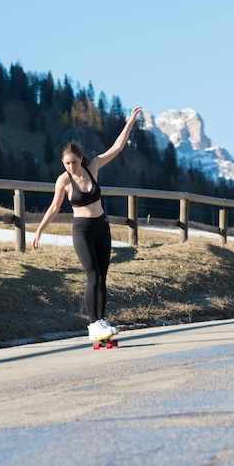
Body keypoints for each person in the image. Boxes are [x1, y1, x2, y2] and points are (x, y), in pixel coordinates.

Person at [32, 105, 143, 341]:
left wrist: (130, 122)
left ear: (80, 159)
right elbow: (53, 208)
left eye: (73, 162)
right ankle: (93, 325)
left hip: (102, 227)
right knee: (92, 274)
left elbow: (117, 147)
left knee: (103, 275)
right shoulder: (63, 181)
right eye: (66, 164)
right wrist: (39, 232)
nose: (71, 167)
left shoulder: (93, 167)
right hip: (82, 230)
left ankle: (102, 321)